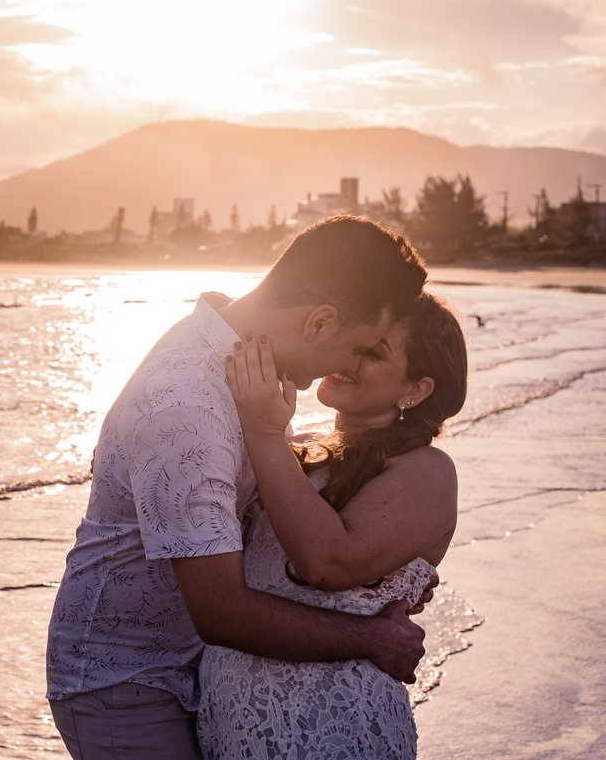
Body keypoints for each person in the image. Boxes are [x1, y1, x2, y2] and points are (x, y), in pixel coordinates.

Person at [46, 216, 430, 760]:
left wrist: (381, 585)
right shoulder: (187, 405)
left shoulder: (244, 354)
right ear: (319, 323)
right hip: (124, 680)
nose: (348, 367)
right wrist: (372, 638)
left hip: (194, 666)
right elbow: (221, 609)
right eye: (362, 347)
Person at [201, 290, 467, 758]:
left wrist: (264, 432)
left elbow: (326, 563)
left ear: (415, 390)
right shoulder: (296, 445)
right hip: (233, 718)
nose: (348, 355)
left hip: (333, 724)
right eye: (355, 339)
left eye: (373, 352)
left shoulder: (427, 469)